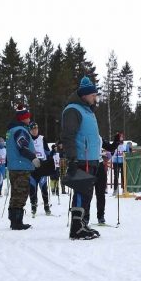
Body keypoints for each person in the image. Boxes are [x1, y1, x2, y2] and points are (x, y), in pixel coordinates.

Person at [61, 76, 103, 240]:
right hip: (80, 158)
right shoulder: (73, 110)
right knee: (80, 193)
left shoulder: (88, 111)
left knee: (87, 194)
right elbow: (68, 135)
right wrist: (72, 158)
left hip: (91, 158)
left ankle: (83, 223)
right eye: (93, 95)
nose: (95, 98)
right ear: (84, 95)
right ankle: (76, 228)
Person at [5, 105, 41, 230]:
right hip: (21, 166)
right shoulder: (20, 130)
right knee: (21, 193)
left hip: (14, 166)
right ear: (22, 118)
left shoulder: (11, 130)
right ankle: (17, 222)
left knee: (15, 193)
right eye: (27, 117)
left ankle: (13, 219)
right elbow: (22, 148)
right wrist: (33, 158)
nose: (29, 119)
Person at [28, 122, 53, 216]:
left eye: (36, 129)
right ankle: (33, 206)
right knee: (32, 188)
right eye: (32, 129)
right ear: (30, 130)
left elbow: (47, 151)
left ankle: (46, 206)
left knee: (43, 187)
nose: (35, 131)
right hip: (32, 166)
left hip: (42, 166)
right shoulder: (28, 139)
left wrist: (50, 161)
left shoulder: (42, 138)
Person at [94, 149, 111, 225]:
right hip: (90, 166)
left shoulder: (101, 141)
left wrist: (105, 156)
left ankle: (101, 216)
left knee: (101, 195)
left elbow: (110, 153)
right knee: (87, 195)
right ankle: (85, 217)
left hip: (101, 171)